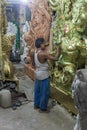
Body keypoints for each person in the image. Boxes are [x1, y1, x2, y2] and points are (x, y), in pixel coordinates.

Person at [31, 38, 61, 113]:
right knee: (44, 92)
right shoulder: (42, 54)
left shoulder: (33, 51)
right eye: (44, 44)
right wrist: (58, 49)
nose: (45, 45)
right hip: (44, 75)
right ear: (41, 44)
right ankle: (42, 108)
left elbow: (33, 64)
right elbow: (56, 58)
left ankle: (36, 105)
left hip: (37, 73)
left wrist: (46, 45)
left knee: (37, 90)